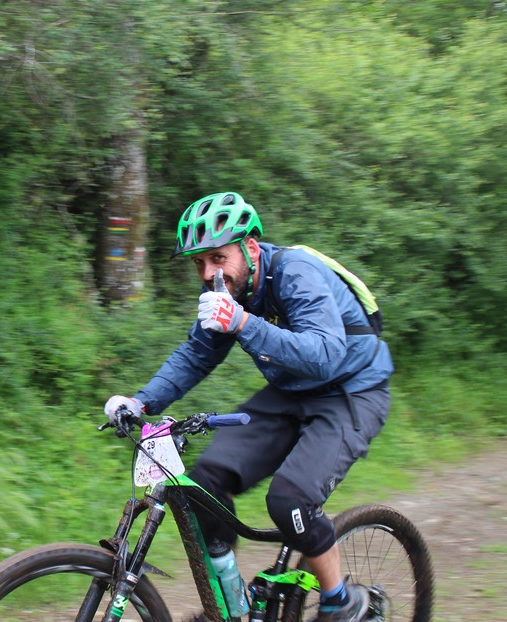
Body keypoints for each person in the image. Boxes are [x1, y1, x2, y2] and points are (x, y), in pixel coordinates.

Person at [104, 192, 393, 622]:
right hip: (291, 392)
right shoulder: (227, 290)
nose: (208, 273)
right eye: (199, 263)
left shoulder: (296, 272)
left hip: (352, 392)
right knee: (205, 483)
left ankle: (341, 601)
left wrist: (242, 322)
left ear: (251, 248)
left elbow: (326, 353)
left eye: (218, 258)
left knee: (291, 500)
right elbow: (196, 355)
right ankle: (228, 606)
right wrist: (140, 400)